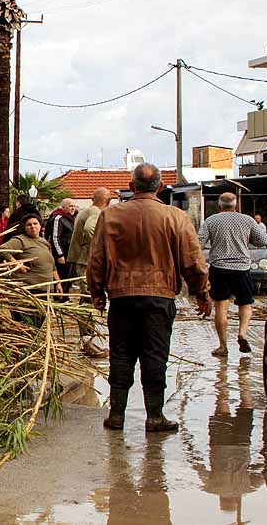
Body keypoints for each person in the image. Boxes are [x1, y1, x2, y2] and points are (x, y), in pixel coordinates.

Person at [89, 163, 209, 433]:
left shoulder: (110, 215)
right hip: (159, 298)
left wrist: (96, 292)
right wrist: (202, 293)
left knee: (120, 355)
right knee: (155, 356)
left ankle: (116, 414)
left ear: (131, 187)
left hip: (121, 297)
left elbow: (96, 259)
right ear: (160, 187)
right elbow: (193, 262)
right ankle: (154, 416)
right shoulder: (176, 217)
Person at [198, 192, 267, 357]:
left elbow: (198, 243)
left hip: (219, 268)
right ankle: (243, 333)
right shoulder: (247, 220)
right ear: (236, 206)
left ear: (219, 206)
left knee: (221, 306)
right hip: (242, 268)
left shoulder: (211, 221)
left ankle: (223, 346)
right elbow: (263, 241)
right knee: (245, 303)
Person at [0, 213, 59, 292]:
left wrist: (58, 283)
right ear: (24, 227)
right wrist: (17, 265)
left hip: (46, 289)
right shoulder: (20, 240)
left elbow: (52, 265)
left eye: (35, 223)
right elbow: (2, 250)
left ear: (40, 226)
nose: (32, 226)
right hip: (29, 288)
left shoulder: (44, 242)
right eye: (29, 225)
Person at [67, 188, 110, 299]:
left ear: (92, 199)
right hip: (87, 259)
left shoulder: (85, 211)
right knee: (90, 293)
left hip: (81, 257)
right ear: (109, 201)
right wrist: (97, 247)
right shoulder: (96, 212)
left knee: (86, 293)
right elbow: (89, 228)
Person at [45, 199, 77, 298]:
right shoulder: (58, 218)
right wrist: (60, 254)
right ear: (63, 207)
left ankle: (65, 296)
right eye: (70, 206)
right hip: (62, 253)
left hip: (70, 253)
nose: (73, 208)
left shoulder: (70, 219)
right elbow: (55, 238)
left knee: (69, 277)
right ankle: (59, 297)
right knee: (62, 277)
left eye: (74, 206)